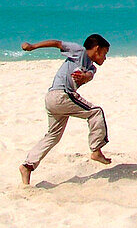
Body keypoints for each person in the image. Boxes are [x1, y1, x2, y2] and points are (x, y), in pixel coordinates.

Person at [19, 34, 112, 185]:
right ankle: (96, 150)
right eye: (105, 53)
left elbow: (89, 75)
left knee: (53, 136)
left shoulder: (92, 68)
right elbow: (56, 43)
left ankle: (27, 166)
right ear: (97, 49)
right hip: (60, 95)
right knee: (96, 112)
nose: (105, 58)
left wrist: (84, 76)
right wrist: (32, 46)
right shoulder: (79, 51)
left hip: (53, 100)